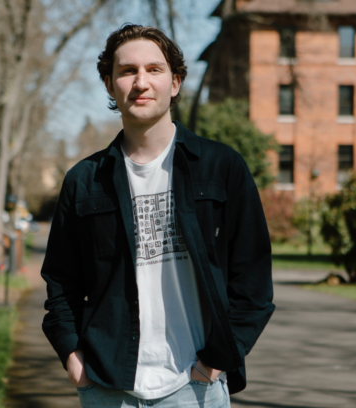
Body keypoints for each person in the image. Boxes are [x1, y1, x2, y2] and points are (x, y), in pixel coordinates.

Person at [41, 24, 274, 407]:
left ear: (176, 82)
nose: (140, 82)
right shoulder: (84, 181)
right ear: (109, 83)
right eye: (127, 70)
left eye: (154, 69)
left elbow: (252, 282)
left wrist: (215, 361)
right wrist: (72, 357)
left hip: (195, 385)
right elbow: (61, 283)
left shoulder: (221, 167)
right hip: (107, 385)